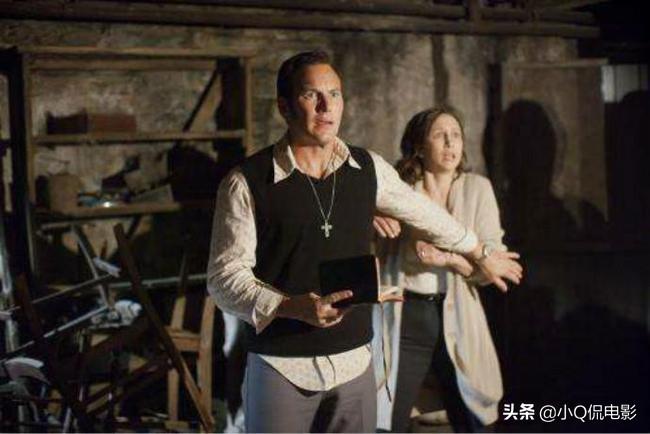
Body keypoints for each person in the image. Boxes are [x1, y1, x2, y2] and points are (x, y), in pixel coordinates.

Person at [207, 51, 522, 433]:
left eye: (334, 94)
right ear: (284, 107)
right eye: (311, 95)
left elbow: (427, 215)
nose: (326, 107)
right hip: (281, 366)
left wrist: (477, 250)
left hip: (354, 363)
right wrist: (289, 306)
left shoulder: (367, 169)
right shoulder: (246, 181)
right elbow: (223, 280)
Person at [373, 107, 513, 432]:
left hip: (459, 313)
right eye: (439, 135)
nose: (450, 143)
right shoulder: (399, 190)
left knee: (475, 417)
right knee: (386, 417)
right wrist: (372, 216)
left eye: (456, 136)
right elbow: (371, 246)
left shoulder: (477, 189)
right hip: (406, 316)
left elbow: (490, 270)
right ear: (420, 147)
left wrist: (449, 259)